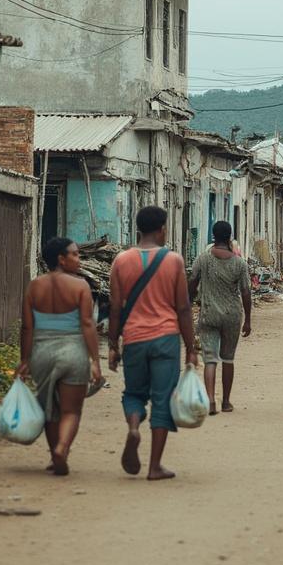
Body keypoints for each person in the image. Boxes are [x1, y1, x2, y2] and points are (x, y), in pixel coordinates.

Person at [108, 206, 199, 481]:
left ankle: (134, 428)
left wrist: (113, 344)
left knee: (134, 394)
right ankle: (154, 466)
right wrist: (191, 348)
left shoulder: (121, 261)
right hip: (165, 338)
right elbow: (183, 307)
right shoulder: (173, 261)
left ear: (138, 229)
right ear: (162, 229)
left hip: (134, 338)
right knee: (162, 399)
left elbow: (114, 307)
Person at [16, 237, 104, 476]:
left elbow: (27, 328)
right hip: (73, 353)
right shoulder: (80, 286)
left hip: (41, 354)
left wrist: (24, 360)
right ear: (61, 259)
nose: (79, 258)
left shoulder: (34, 286)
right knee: (71, 411)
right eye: (74, 255)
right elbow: (87, 324)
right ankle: (62, 449)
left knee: (49, 409)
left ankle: (54, 453)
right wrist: (95, 361)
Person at [188, 221, 252, 415]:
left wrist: (189, 303)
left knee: (210, 359)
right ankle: (225, 401)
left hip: (208, 314)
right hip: (232, 316)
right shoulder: (239, 263)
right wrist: (248, 319)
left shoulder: (203, 259)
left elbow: (192, 283)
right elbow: (246, 292)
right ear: (230, 237)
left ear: (213, 236)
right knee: (228, 359)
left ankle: (210, 401)